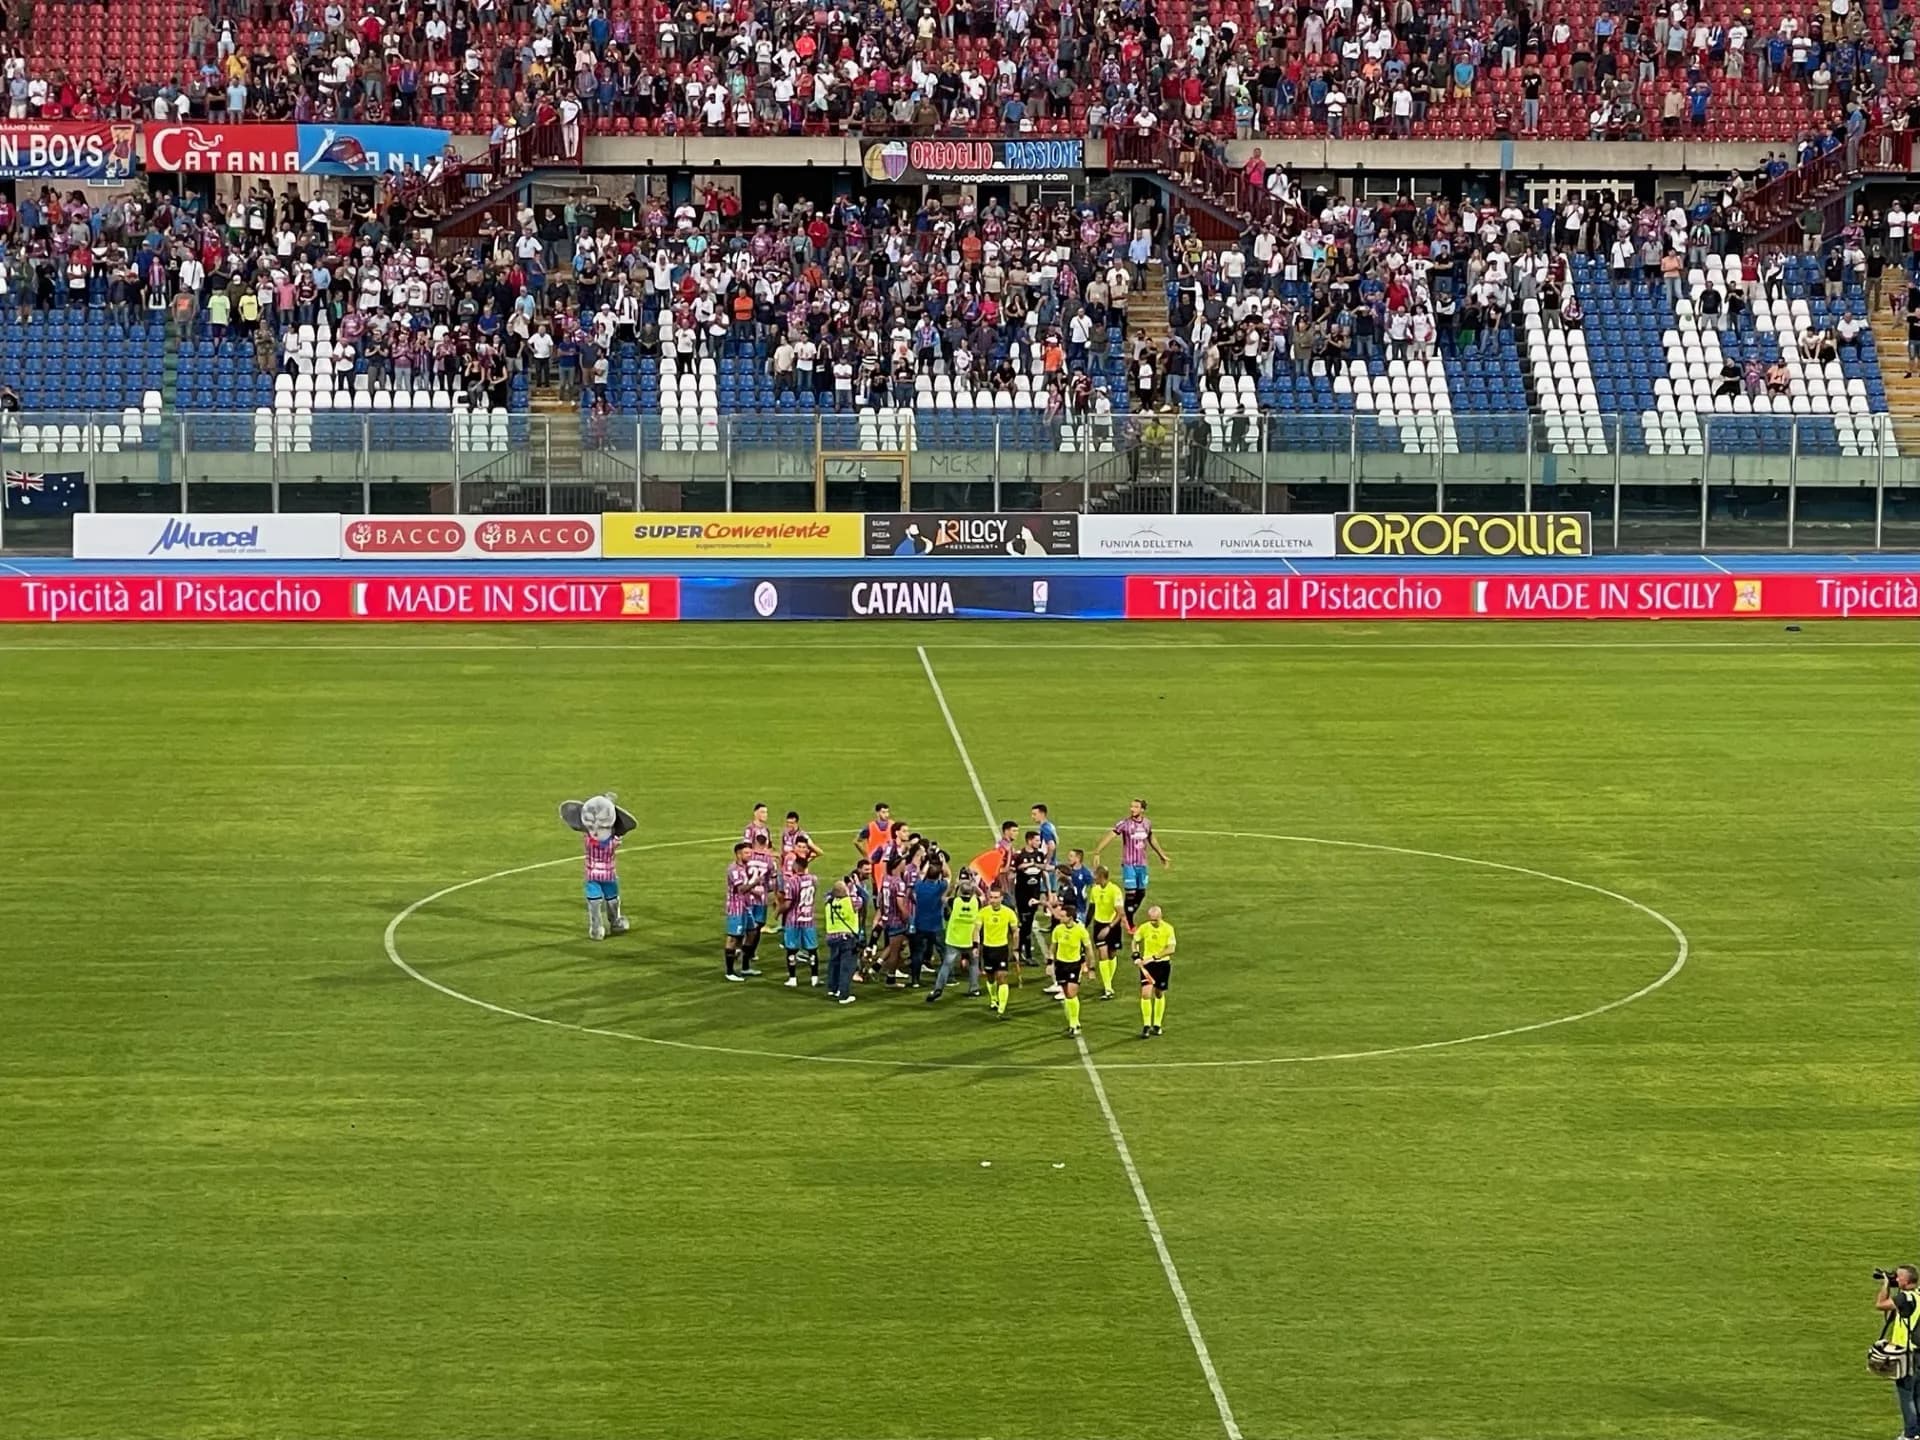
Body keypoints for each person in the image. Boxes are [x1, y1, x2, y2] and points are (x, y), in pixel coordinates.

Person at [1094, 798, 1172, 925]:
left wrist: (1161, 855)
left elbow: (1151, 839)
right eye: (1131, 806)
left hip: (1142, 864)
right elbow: (1111, 835)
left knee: (1141, 893)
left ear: (1142, 810)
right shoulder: (1124, 824)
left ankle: (1126, 914)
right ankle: (1129, 921)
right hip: (1129, 864)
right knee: (1131, 893)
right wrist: (1097, 851)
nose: (1132, 809)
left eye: (1136, 807)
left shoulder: (1147, 823)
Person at [1877, 1265, 1920, 1439]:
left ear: (1907, 1280)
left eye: (1898, 1277)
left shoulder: (1904, 1298)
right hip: (1919, 1352)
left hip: (1906, 1354)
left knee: (1906, 1396)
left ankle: (1910, 1434)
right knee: (1918, 1395)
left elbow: (1880, 1305)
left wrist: (1886, 1285)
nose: (1896, 1279)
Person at [927, 873, 983, 1003]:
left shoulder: (955, 902)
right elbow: (983, 896)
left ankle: (938, 989)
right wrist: (975, 886)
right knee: (974, 965)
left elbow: (943, 898)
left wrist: (953, 886)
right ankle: (974, 989)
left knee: (946, 965)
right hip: (970, 940)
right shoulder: (976, 902)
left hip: (954, 939)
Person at [1133, 904, 1177, 1038]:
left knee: (1158, 993)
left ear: (1160, 917)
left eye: (1155, 920)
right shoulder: (1144, 928)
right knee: (1146, 994)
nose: (1153, 922)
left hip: (1162, 964)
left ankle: (1157, 1024)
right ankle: (1146, 1025)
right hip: (1148, 966)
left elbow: (1171, 949)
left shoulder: (1168, 929)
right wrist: (1135, 954)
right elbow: (1135, 941)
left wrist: (1154, 957)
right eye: (1151, 919)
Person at [1050, 898, 1093, 1038]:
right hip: (1061, 965)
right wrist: (1050, 963)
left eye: (1063, 916)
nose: (1060, 918)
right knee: (1067, 994)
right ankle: (1074, 1022)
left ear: (1070, 918)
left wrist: (1090, 967)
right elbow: (1053, 946)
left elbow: (1089, 949)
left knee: (1072, 993)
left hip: (1074, 965)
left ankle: (1073, 1025)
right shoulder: (1058, 930)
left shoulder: (1081, 931)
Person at [1011, 829, 1051, 975]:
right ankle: (1026, 954)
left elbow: (1044, 870)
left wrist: (1048, 891)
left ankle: (1019, 949)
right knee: (1025, 925)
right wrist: (1026, 865)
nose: (1039, 843)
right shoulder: (1020, 855)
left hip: (1034, 895)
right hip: (1022, 896)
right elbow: (1014, 870)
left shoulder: (1039, 855)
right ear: (1029, 841)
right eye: (1036, 840)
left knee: (1028, 923)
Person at [908, 852, 950, 989]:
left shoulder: (919, 886)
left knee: (917, 953)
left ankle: (915, 980)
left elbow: (920, 875)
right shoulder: (940, 887)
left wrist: (926, 866)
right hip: (936, 925)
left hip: (920, 925)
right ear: (938, 875)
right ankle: (948, 978)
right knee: (943, 951)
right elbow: (948, 876)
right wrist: (943, 863)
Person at [779, 855, 821, 988]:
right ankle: (814, 978)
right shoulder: (814, 879)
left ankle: (792, 978)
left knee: (791, 949)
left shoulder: (792, 881)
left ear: (797, 866)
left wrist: (778, 912)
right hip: (808, 919)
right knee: (812, 950)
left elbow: (788, 903)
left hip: (794, 920)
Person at [977, 884, 1019, 1016]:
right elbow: (976, 929)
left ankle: (1002, 1008)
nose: (993, 900)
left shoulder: (1008, 913)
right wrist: (975, 946)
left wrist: (1016, 948)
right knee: (990, 978)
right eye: (991, 897)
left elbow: (1015, 931)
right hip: (988, 948)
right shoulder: (983, 912)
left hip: (1001, 949)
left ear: (1001, 898)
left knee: (1001, 977)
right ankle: (994, 999)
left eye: (996, 897)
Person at [1086, 864, 1127, 1000]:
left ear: (1101, 876)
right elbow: (1091, 908)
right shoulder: (1094, 890)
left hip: (1112, 925)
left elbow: (1120, 913)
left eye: (1095, 876)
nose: (1093, 879)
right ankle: (1108, 988)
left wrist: (1109, 927)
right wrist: (1085, 924)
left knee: (1111, 954)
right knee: (1102, 954)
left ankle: (1107, 982)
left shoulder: (1114, 890)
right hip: (1099, 925)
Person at [822, 881, 863, 1005]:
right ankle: (843, 995)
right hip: (847, 938)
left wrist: (837, 890)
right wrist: (855, 885)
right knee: (847, 967)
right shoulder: (851, 902)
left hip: (832, 938)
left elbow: (828, 894)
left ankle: (833, 988)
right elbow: (863, 897)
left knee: (834, 963)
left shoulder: (829, 903)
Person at [723, 841, 757, 981]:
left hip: (746, 906)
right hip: (736, 908)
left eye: (750, 852)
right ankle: (730, 972)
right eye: (746, 853)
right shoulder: (734, 869)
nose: (750, 855)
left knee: (752, 932)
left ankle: (745, 966)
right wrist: (756, 882)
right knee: (732, 938)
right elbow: (741, 889)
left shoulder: (745, 867)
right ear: (738, 854)